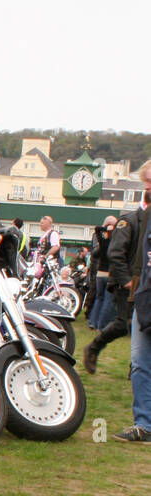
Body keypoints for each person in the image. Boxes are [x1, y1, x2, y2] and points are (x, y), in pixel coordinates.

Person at [85, 161, 151, 374]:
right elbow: (116, 253)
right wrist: (127, 281)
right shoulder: (129, 221)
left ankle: (137, 369)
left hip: (143, 282)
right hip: (128, 284)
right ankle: (94, 346)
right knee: (124, 324)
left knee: (141, 327)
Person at [120, 172, 151, 442]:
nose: (147, 188)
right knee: (140, 363)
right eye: (145, 182)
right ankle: (144, 424)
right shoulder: (144, 216)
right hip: (144, 297)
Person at [87, 216, 118, 329]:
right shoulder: (115, 243)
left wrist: (105, 227)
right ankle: (102, 324)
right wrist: (114, 227)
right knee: (107, 300)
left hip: (100, 273)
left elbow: (97, 229)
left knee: (98, 298)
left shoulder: (103, 242)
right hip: (110, 274)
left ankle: (92, 322)